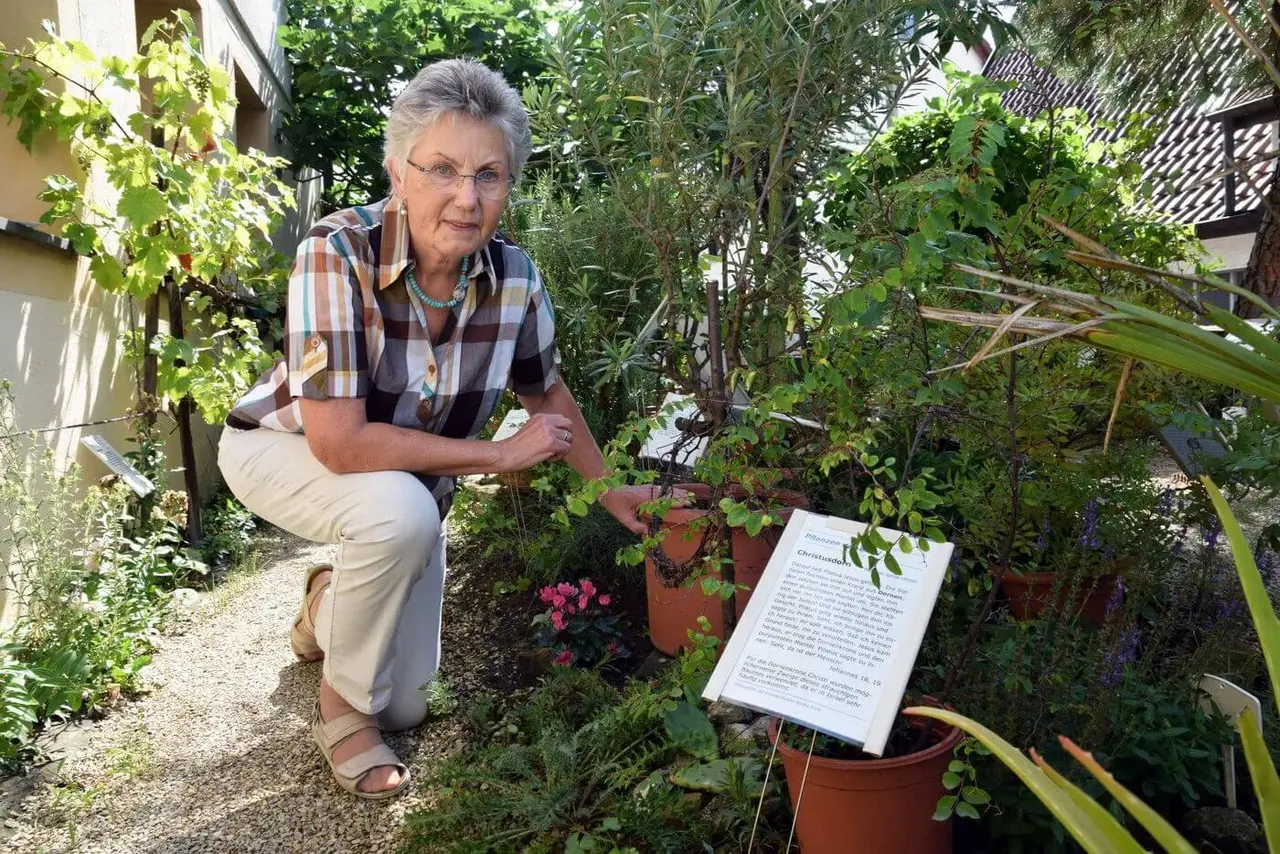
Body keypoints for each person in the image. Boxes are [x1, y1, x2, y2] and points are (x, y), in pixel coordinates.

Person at [217, 58, 661, 799]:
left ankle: (325, 605)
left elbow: (546, 390)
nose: (467, 197)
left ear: (508, 185)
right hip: (281, 448)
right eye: (443, 170)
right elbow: (339, 443)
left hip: (403, 489)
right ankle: (342, 707)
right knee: (400, 514)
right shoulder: (336, 252)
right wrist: (496, 455)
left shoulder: (515, 278)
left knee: (410, 705)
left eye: (489, 175)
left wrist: (612, 492)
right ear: (398, 172)